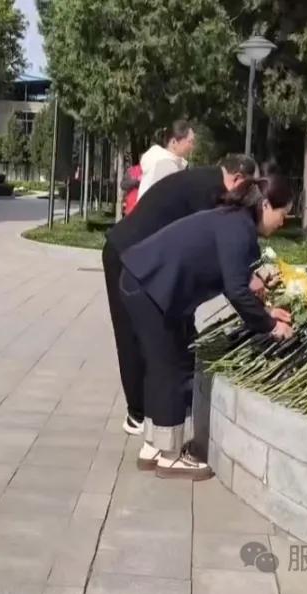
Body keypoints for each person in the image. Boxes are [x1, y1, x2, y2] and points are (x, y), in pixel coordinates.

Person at [119, 174, 296, 479]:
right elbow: (236, 290)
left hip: (144, 282)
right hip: (150, 287)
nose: (283, 222)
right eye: (284, 213)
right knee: (170, 367)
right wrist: (270, 326)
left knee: (162, 366)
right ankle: (170, 456)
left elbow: (234, 278)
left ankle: (153, 446)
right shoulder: (238, 227)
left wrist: (265, 310)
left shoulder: (234, 220)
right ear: (266, 205)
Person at [103, 154, 258, 436]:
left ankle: (167, 406)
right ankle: (137, 414)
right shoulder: (210, 191)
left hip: (144, 260)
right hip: (126, 254)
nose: (248, 197)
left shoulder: (204, 180)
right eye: (247, 187)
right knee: (131, 336)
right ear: (237, 178)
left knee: (168, 334)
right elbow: (217, 248)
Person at [136, 120, 196, 198]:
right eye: (190, 141)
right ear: (174, 142)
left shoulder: (171, 163)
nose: (192, 146)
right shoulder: (165, 165)